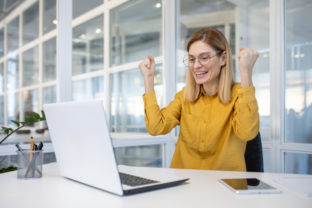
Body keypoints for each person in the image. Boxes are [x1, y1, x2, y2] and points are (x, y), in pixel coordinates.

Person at [138, 28, 259, 172]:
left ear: (223, 58)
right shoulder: (185, 96)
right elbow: (155, 127)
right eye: (191, 59)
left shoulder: (240, 93)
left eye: (204, 57)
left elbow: (247, 133)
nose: (196, 65)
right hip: (185, 184)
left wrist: (246, 73)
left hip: (224, 187)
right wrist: (149, 79)